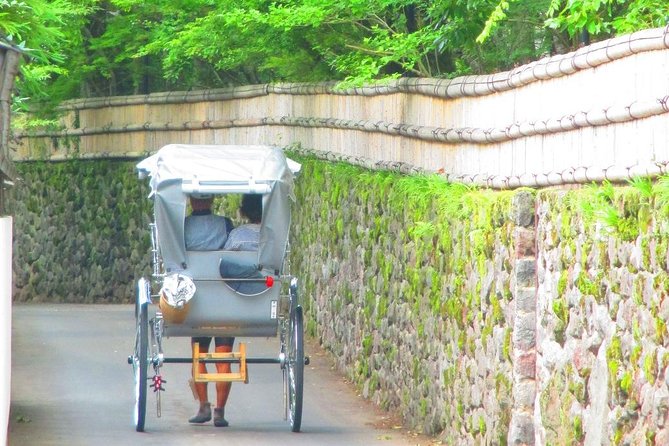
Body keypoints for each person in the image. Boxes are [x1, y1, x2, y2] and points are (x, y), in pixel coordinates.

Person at [184, 195, 234, 428]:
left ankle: (204, 405)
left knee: (199, 352)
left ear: (190, 200)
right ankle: (220, 411)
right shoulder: (225, 224)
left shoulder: (183, 227)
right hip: (224, 299)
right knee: (223, 354)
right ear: (213, 198)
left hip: (197, 299)